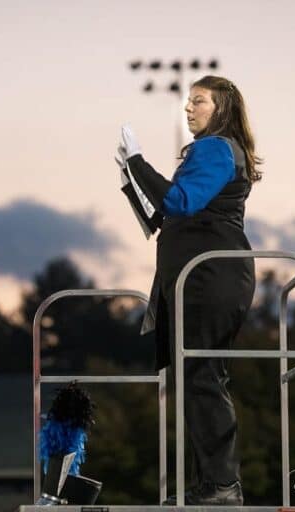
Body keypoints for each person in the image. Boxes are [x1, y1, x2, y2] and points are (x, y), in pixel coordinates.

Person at [116, 75, 262, 506]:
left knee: (203, 378)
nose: (189, 108)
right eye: (189, 101)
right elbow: (164, 218)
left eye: (199, 101)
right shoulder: (211, 152)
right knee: (197, 378)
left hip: (211, 280)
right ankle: (212, 484)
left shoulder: (216, 148)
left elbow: (179, 202)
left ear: (222, 108)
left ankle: (222, 485)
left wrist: (140, 162)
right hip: (197, 281)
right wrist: (132, 179)